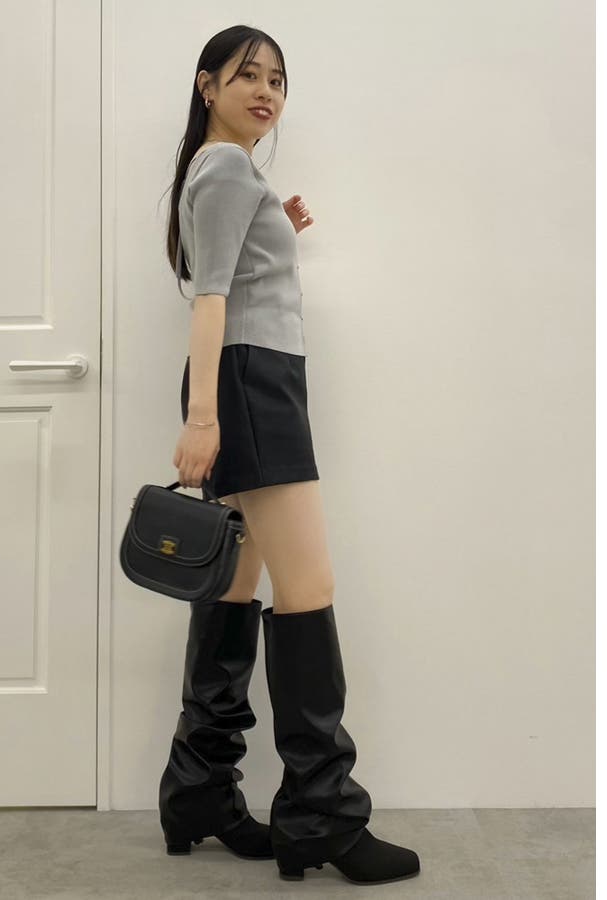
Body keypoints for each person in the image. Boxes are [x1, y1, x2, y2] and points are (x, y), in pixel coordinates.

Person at [158, 26, 421, 886]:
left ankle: (200, 789)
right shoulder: (228, 169)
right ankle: (322, 816)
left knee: (234, 583)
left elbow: (228, 271)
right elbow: (210, 298)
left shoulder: (224, 172)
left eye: (277, 79)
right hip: (249, 385)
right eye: (247, 75)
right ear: (207, 85)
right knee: (308, 590)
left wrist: (278, 223)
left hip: (248, 379)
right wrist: (205, 418)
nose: (265, 91)